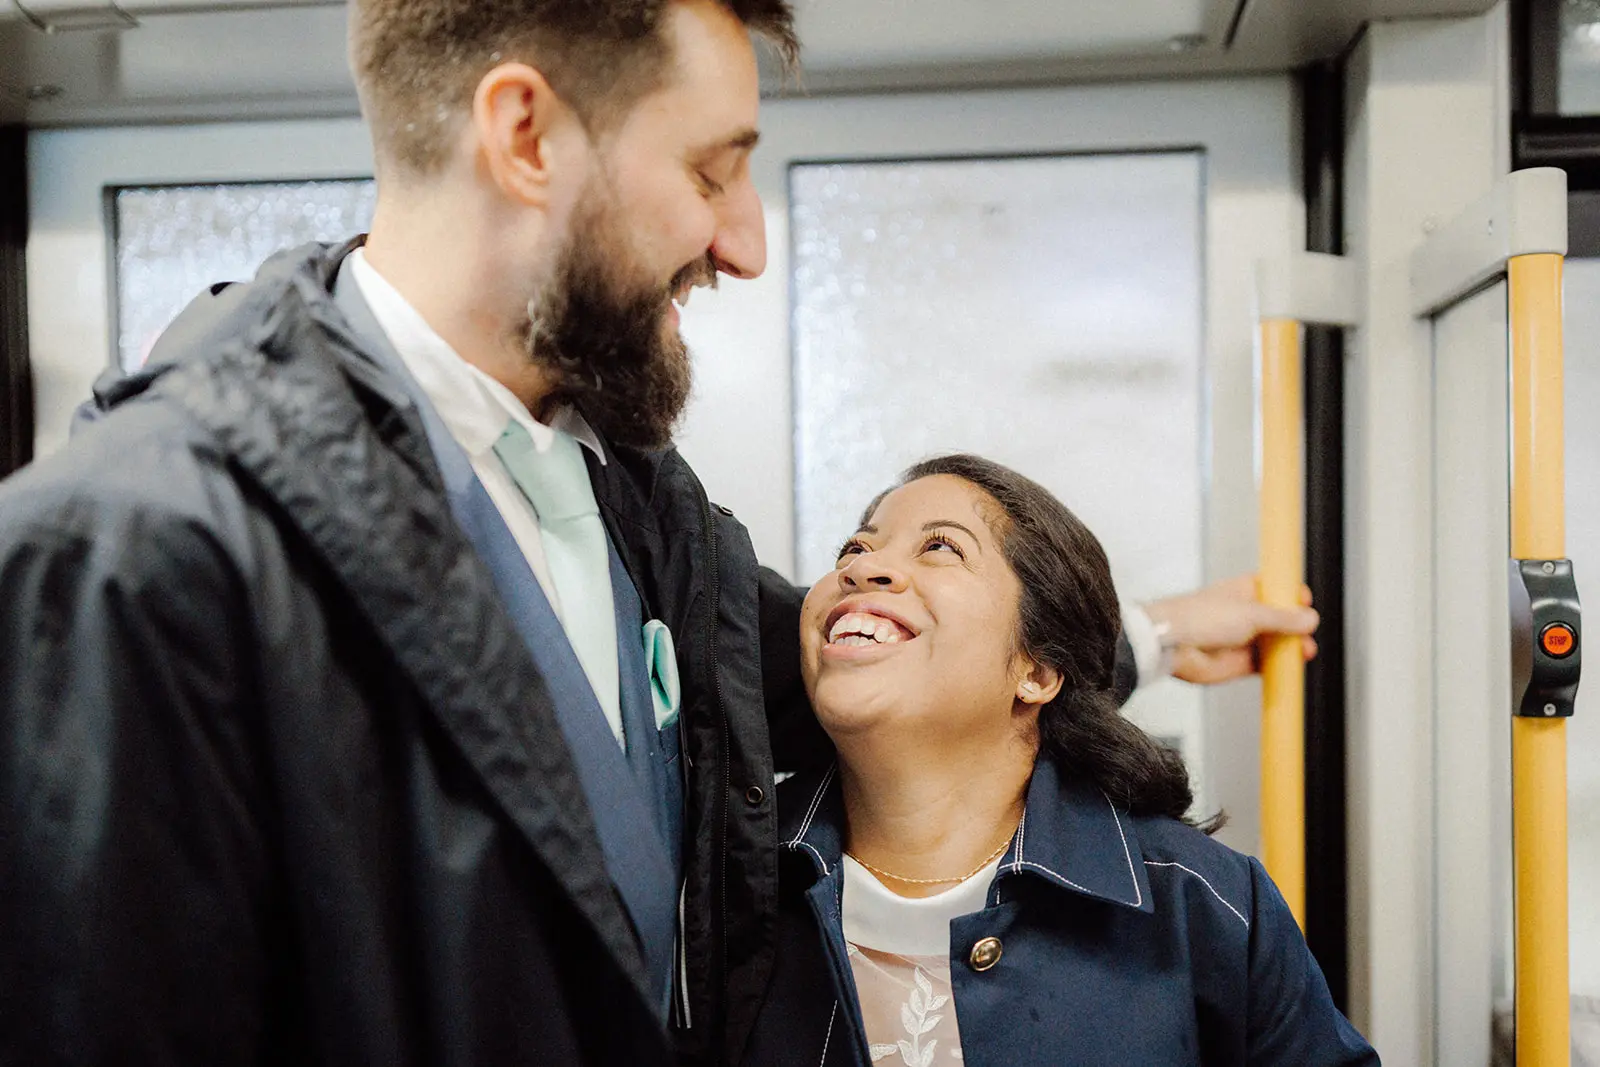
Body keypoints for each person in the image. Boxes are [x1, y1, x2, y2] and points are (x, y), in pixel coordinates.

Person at [0, 2, 1318, 1065]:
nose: (743, 245)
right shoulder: (138, 553)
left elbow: (846, 680)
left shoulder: (644, 506)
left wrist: (1129, 634)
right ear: (525, 135)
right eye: (712, 169)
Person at [741, 454, 1374, 1067]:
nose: (863, 568)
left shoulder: (1204, 904)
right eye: (854, 549)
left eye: (941, 547)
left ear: (1038, 671)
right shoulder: (727, 887)